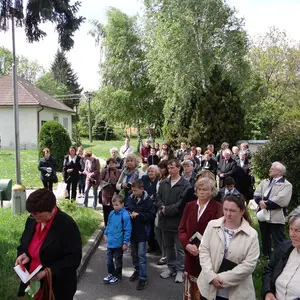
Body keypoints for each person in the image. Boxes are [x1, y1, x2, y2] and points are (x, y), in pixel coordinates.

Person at [16, 189, 82, 299]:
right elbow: (23, 244)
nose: (36, 220)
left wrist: (47, 272)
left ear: (52, 209)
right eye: (32, 215)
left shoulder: (66, 225)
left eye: (39, 216)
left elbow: (73, 259)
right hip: (31, 284)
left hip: (56, 287)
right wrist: (23, 254)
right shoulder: (32, 219)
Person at [198, 194, 260, 300]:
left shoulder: (251, 235)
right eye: (225, 209)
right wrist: (211, 277)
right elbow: (204, 250)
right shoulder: (212, 225)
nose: (228, 214)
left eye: (232, 210)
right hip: (208, 287)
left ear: (242, 211)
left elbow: (249, 265)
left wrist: (222, 279)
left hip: (236, 293)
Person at [178, 178, 223, 300]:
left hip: (207, 255)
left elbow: (218, 233)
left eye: (205, 189)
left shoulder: (218, 207)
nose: (202, 192)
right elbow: (181, 229)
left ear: (212, 191)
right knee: (191, 290)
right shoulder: (189, 206)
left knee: (205, 290)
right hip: (190, 253)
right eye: (199, 189)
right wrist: (186, 245)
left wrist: (200, 248)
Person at [156, 159, 191, 283]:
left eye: (173, 168)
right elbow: (158, 197)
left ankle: (181, 270)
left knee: (180, 248)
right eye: (169, 168)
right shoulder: (164, 183)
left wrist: (167, 210)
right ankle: (171, 268)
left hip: (178, 222)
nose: (170, 170)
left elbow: (182, 203)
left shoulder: (185, 184)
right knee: (168, 246)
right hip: (165, 221)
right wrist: (161, 208)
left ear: (179, 168)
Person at [254, 161, 293, 258]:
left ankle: (280, 257)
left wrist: (265, 204)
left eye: (272, 169)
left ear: (279, 172)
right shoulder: (265, 181)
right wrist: (259, 201)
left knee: (278, 238)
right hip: (263, 215)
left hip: (276, 216)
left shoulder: (287, 185)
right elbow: (257, 193)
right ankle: (266, 256)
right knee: (265, 236)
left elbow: (282, 200)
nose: (270, 170)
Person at [262, 206, 300, 300]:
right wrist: (268, 291)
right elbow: (269, 269)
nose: (292, 234)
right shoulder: (284, 248)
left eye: (297, 230)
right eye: (291, 229)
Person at [126, 180, 156, 290]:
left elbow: (151, 215)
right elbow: (127, 208)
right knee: (134, 254)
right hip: (132, 231)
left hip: (142, 232)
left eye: (135, 190)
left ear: (142, 189)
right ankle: (137, 271)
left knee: (141, 255)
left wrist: (139, 215)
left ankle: (143, 278)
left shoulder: (148, 201)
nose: (133, 192)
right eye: (132, 190)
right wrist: (129, 213)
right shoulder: (130, 198)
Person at [103, 195, 132, 285]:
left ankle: (117, 276)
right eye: (113, 205)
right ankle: (111, 274)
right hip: (110, 242)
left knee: (118, 261)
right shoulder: (111, 213)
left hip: (119, 243)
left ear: (122, 204)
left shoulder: (125, 215)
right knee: (109, 261)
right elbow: (108, 224)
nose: (114, 207)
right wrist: (105, 233)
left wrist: (125, 242)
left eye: (116, 205)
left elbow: (128, 230)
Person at [142, 165, 160, 253]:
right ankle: (151, 245)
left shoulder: (159, 180)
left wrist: (153, 196)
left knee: (155, 226)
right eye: (149, 171)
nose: (150, 173)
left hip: (155, 205)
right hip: (146, 205)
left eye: (152, 171)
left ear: (156, 172)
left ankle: (158, 246)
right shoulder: (144, 179)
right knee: (148, 226)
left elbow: (159, 192)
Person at [99, 158, 122, 226]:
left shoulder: (119, 172)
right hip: (105, 194)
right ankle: (106, 227)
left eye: (113, 163)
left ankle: (114, 226)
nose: (111, 164)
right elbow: (99, 180)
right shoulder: (104, 171)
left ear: (116, 164)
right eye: (109, 163)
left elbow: (120, 182)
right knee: (106, 211)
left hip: (115, 193)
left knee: (114, 210)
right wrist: (105, 183)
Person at [155, 160, 169, 265]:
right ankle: (163, 253)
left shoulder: (168, 179)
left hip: (165, 209)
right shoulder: (160, 178)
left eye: (162, 167)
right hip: (158, 207)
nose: (160, 169)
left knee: (164, 234)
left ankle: (166, 255)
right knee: (157, 231)